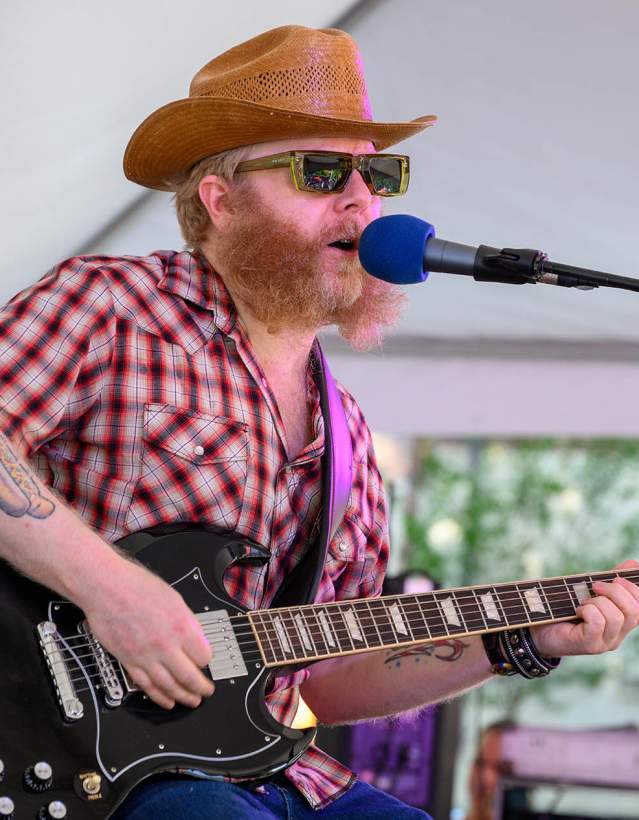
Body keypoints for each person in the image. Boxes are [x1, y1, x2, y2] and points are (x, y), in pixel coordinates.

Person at [1, 24, 638, 820]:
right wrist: (112, 591)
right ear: (220, 198)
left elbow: (329, 678)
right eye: (321, 170)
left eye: (377, 173)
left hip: (257, 770)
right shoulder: (111, 306)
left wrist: (522, 641)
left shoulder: (345, 431)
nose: (360, 200)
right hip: (60, 760)